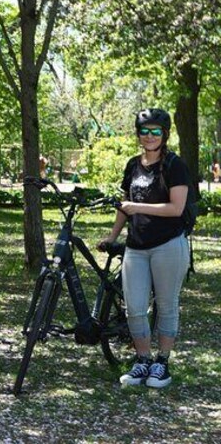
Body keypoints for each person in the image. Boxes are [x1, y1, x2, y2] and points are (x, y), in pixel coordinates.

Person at [99, 108, 190, 388]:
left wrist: (136, 207)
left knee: (165, 305)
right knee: (135, 308)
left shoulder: (175, 165)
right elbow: (124, 206)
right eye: (144, 131)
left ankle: (162, 363)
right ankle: (142, 361)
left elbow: (176, 208)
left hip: (168, 245)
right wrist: (114, 235)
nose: (149, 136)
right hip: (136, 247)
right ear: (138, 134)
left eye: (155, 131)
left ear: (164, 135)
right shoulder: (132, 165)